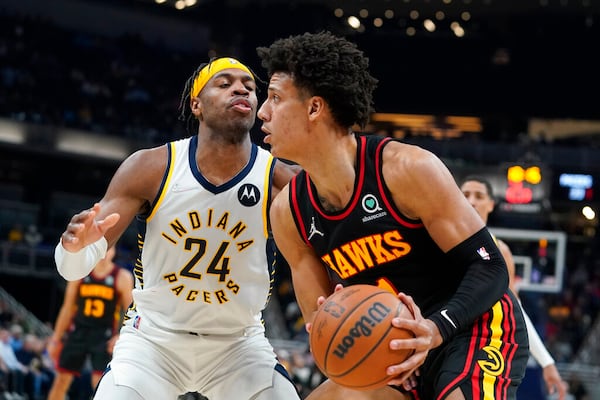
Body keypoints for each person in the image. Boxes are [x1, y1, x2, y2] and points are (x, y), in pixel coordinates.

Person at [256, 31, 529, 400]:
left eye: (275, 98)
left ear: (314, 108)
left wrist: (435, 329)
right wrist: (343, 331)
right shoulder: (288, 212)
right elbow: (323, 334)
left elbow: (491, 267)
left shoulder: (406, 170)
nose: (262, 112)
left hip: (469, 325)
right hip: (394, 345)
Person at [53, 57, 301, 400]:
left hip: (238, 347)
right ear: (196, 104)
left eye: (248, 85)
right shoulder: (151, 167)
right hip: (153, 342)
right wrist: (73, 248)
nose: (241, 88)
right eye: (224, 83)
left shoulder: (281, 180)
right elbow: (73, 269)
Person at [460, 175, 568, 400]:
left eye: (479, 196)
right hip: (436, 344)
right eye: (465, 195)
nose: (471, 201)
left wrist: (546, 362)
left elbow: (514, 312)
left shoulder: (501, 252)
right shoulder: (435, 237)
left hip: (478, 351)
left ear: (491, 204)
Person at [47, 245, 134, 400]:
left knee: (100, 384)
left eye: (109, 249)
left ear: (114, 251)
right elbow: (67, 308)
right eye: (102, 249)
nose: (105, 254)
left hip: (104, 335)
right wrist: (56, 339)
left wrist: (120, 336)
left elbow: (130, 311)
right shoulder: (80, 273)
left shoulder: (122, 277)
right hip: (78, 331)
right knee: (61, 380)